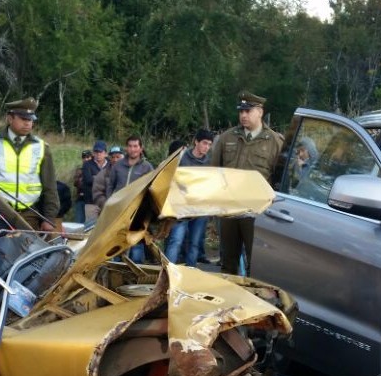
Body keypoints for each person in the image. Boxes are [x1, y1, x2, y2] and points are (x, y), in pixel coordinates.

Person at [210, 91, 283, 275]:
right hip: (230, 210)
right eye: (241, 111)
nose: (243, 115)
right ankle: (229, 300)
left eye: (248, 111)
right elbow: (213, 172)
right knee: (228, 262)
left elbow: (281, 181)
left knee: (257, 263)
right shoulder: (227, 138)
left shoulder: (274, 141)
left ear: (260, 112)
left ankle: (254, 301)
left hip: (257, 213)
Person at [0, 97, 58, 232]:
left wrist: (49, 218)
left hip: (30, 215)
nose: (28, 124)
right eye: (23, 119)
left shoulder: (42, 147)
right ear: (10, 118)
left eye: (30, 120)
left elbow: (50, 187)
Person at [164, 129, 213, 266]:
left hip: (200, 208)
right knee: (176, 241)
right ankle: (168, 273)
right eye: (204, 143)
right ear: (196, 142)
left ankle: (190, 273)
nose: (206, 147)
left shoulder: (209, 162)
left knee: (194, 243)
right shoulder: (182, 158)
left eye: (209, 144)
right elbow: (170, 179)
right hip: (181, 208)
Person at [107, 135, 154, 262]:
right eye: (130, 146)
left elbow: (153, 189)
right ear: (126, 148)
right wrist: (109, 203)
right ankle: (116, 272)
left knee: (135, 246)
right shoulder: (118, 166)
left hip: (137, 212)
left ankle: (134, 275)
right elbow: (111, 184)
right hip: (118, 211)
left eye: (135, 146)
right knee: (115, 243)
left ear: (141, 148)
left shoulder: (147, 167)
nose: (132, 149)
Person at [80, 141, 109, 223]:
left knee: (105, 227)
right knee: (90, 228)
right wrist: (105, 179)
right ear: (93, 153)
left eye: (100, 152)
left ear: (105, 153)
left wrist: (95, 177)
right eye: (96, 152)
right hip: (90, 202)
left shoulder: (110, 164)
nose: (98, 154)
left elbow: (113, 181)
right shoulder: (87, 164)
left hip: (106, 203)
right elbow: (88, 180)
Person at [91, 145, 123, 218]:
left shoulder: (130, 173)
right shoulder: (102, 174)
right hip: (107, 212)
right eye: (113, 157)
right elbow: (97, 194)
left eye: (118, 157)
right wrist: (108, 205)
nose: (115, 160)